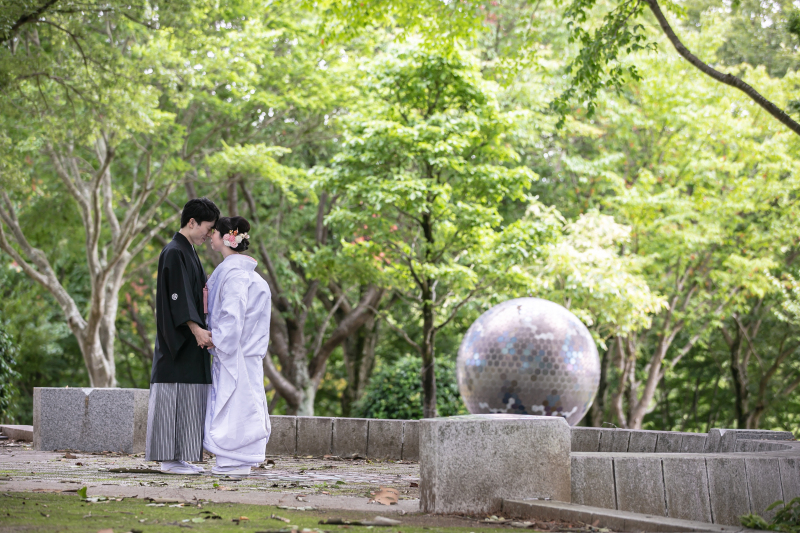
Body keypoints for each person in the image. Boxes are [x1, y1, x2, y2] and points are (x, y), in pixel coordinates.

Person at [145, 198, 220, 475]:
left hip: (190, 342)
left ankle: (180, 457)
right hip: (177, 340)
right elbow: (178, 297)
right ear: (192, 222)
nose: (209, 235)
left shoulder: (187, 250)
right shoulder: (174, 251)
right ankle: (168, 459)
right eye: (208, 228)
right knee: (173, 396)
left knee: (189, 397)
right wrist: (196, 328)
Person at [203, 216, 272, 476]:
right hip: (249, 355)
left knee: (234, 402)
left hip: (235, 352)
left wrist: (215, 339)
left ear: (225, 238)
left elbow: (232, 318)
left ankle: (233, 457)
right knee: (247, 400)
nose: (210, 236)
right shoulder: (253, 278)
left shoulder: (234, 276)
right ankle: (241, 458)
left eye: (215, 233)